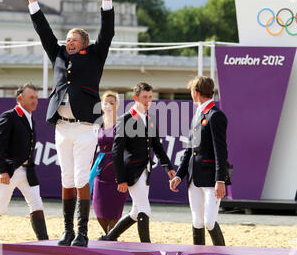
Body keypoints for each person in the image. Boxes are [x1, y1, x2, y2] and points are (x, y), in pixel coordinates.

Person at [22, 0, 115, 247]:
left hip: (85, 126)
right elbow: (44, 32)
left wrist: (106, 1)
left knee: (81, 178)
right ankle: (67, 230)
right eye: (68, 39)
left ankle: (83, 232)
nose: (68, 42)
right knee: (66, 178)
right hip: (62, 126)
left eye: (74, 40)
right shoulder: (59, 55)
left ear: (84, 43)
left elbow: (107, 32)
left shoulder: (95, 55)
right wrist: (33, 3)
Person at [0, 83, 48, 255]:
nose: (35, 101)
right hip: (10, 171)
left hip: (28, 171)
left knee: (37, 204)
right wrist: (2, 171)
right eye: (31, 97)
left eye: (36, 98)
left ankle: (44, 245)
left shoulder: (30, 118)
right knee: (0, 207)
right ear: (20, 99)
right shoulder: (9, 116)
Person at [99, 82, 176, 243]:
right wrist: (121, 179)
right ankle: (146, 247)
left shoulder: (150, 119)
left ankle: (109, 237)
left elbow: (157, 146)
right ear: (135, 98)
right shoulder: (124, 119)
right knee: (144, 209)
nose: (148, 100)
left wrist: (167, 166)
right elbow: (117, 151)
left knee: (135, 211)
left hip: (146, 170)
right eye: (144, 97)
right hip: (132, 172)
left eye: (150, 97)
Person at [169, 76, 228, 246]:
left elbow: (221, 150)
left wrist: (220, 179)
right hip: (194, 178)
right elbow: (189, 149)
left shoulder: (215, 115)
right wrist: (179, 176)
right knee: (197, 222)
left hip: (211, 179)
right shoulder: (198, 114)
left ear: (196, 93)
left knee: (209, 222)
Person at [90, 91, 129, 234]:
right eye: (105, 103)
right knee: (98, 209)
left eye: (112, 103)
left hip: (117, 169)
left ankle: (110, 238)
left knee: (116, 210)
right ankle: (108, 236)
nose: (108, 106)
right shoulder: (97, 124)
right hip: (100, 169)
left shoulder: (122, 124)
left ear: (117, 105)